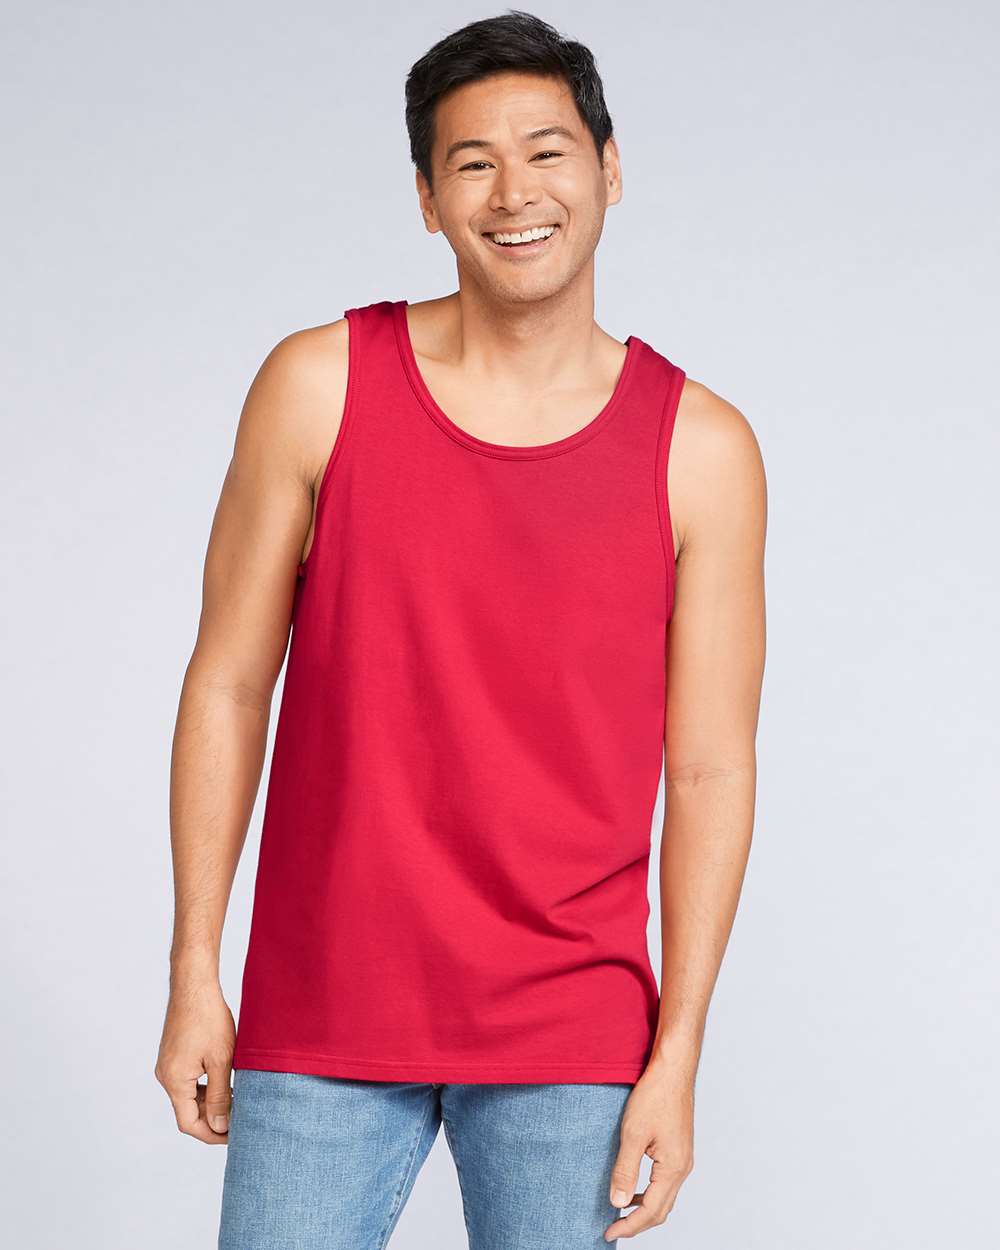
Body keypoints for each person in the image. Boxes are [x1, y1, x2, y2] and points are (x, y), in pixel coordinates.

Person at [154, 11, 766, 1248]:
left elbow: (709, 766)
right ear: (429, 200)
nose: (514, 192)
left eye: (547, 151)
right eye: (472, 162)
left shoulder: (701, 449)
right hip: (323, 1002)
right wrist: (193, 969)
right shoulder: (318, 383)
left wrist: (679, 1050)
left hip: (569, 1025)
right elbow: (227, 681)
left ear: (608, 169)